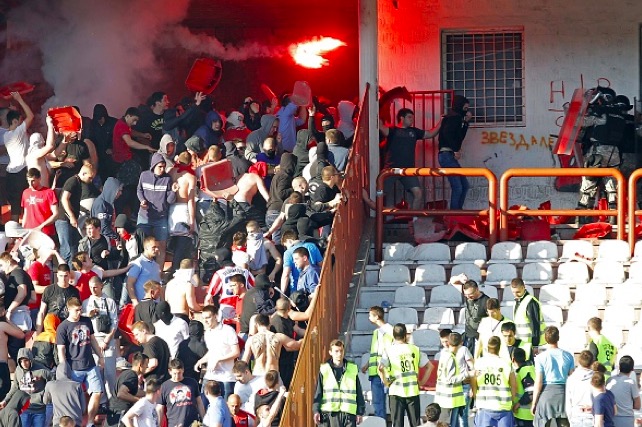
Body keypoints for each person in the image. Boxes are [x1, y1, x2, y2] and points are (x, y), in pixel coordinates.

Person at [56, 297, 105, 427]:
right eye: (76, 310)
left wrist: (100, 356)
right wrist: (63, 368)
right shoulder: (63, 327)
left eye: (80, 310)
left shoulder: (86, 320)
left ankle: (89, 423)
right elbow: (61, 350)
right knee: (74, 399)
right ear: (69, 309)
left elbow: (93, 339)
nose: (79, 313)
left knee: (97, 392)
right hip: (73, 367)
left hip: (90, 364)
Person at [379, 107, 441, 211]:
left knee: (418, 194)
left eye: (412, 117)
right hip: (391, 169)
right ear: (401, 118)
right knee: (380, 193)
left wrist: (441, 123)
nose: (412, 120)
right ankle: (379, 216)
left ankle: (413, 219)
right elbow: (381, 128)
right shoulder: (393, 130)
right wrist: (377, 118)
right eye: (409, 117)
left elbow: (430, 134)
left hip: (408, 170)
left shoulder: (414, 131)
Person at [379, 323, 431, 427]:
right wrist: (421, 382)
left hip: (396, 391)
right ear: (405, 335)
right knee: (415, 423)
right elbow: (429, 367)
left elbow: (380, 368)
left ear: (393, 336)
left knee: (397, 424)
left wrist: (386, 382)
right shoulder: (415, 349)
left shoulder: (389, 350)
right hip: (412, 390)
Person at [137, 153, 179, 267]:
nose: (162, 169)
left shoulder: (167, 179)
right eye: (160, 166)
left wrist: (173, 191)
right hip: (144, 216)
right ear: (153, 166)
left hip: (161, 218)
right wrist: (142, 201)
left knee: (161, 247)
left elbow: (170, 201)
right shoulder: (144, 175)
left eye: (163, 167)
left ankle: (158, 276)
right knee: (142, 245)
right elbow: (139, 190)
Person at [313, 338, 365, 427]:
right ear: (330, 352)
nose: (339, 354)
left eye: (341, 351)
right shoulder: (324, 369)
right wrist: (316, 411)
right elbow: (318, 392)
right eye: (336, 351)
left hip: (348, 414)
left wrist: (360, 411)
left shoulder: (352, 369)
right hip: (329, 414)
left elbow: (359, 392)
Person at [81, 277, 119, 400]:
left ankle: (112, 399)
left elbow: (114, 321)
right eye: (91, 287)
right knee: (97, 372)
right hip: (94, 339)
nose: (93, 289)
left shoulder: (109, 301)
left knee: (110, 373)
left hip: (108, 338)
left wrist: (108, 339)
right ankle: (101, 401)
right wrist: (88, 314)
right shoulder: (86, 302)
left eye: (95, 287)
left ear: (101, 286)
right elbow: (81, 320)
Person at [531, 326, 574, 427]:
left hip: (547, 394)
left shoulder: (540, 357)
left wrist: (534, 402)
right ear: (558, 337)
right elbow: (572, 378)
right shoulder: (568, 355)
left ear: (545, 338)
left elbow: (539, 382)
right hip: (564, 393)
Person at [54, 163, 98, 263]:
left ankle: (72, 272)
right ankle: (64, 272)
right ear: (83, 173)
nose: (91, 181)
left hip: (71, 220)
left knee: (74, 248)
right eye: (90, 178)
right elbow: (64, 199)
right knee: (67, 249)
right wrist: (72, 216)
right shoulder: (72, 181)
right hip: (64, 219)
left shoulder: (79, 183)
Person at [196, 304, 240, 400]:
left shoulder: (228, 330)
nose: (205, 321)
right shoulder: (207, 333)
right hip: (211, 375)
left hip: (226, 376)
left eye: (208, 317)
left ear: (215, 316)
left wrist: (219, 360)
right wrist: (201, 360)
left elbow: (236, 352)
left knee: (225, 407)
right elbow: (212, 351)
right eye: (203, 318)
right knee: (204, 404)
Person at [471, 336, 517, 427]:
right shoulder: (506, 363)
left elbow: (473, 383)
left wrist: (477, 398)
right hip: (504, 407)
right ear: (499, 348)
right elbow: (514, 385)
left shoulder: (479, 363)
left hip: (485, 405)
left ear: (487, 348)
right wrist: (511, 400)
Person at [0, 348, 52, 427]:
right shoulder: (18, 370)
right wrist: (5, 400)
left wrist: (45, 396)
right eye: (21, 361)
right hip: (24, 409)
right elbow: (15, 388)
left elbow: (53, 382)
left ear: (30, 359)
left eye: (26, 360)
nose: (23, 363)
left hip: (39, 409)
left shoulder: (42, 370)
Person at [437, 94, 472, 209]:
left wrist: (466, 123)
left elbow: (459, 137)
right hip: (447, 155)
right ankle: (454, 214)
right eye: (465, 108)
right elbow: (447, 134)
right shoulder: (454, 118)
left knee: (464, 185)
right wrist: (455, 150)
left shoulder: (454, 118)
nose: (466, 111)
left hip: (448, 155)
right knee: (458, 187)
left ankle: (457, 212)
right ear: (460, 106)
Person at [4, 92, 34, 221]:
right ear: (15, 121)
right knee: (28, 201)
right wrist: (19, 99)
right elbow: (31, 116)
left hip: (10, 173)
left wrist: (15, 109)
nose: (22, 123)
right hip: (21, 172)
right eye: (20, 121)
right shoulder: (17, 132)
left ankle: (14, 233)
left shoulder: (6, 135)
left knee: (15, 205)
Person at [434, 332, 473, 427]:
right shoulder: (451, 357)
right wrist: (468, 374)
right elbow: (449, 379)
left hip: (442, 395)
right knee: (452, 423)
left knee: (442, 423)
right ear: (460, 343)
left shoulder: (444, 354)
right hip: (450, 397)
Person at [361, 305, 393, 419]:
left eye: (370, 315)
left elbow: (389, 351)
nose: (369, 317)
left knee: (387, 403)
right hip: (375, 373)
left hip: (385, 373)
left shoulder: (389, 330)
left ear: (377, 316)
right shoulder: (376, 332)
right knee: (378, 403)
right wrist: (367, 365)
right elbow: (375, 352)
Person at [106, 352, 149, 427]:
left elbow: (133, 392)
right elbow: (121, 394)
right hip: (119, 413)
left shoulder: (126, 373)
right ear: (140, 365)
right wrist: (139, 401)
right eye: (146, 364)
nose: (147, 367)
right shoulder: (132, 376)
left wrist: (148, 393)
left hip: (114, 412)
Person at [35, 264, 80, 333]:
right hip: (51, 327)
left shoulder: (74, 291)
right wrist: (38, 332)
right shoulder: (49, 290)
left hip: (68, 327)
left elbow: (77, 311)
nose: (63, 279)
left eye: (65, 276)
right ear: (57, 275)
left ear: (69, 275)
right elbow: (42, 312)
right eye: (61, 276)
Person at [160, 358, 205, 427]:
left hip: (193, 424)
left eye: (179, 373)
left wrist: (204, 420)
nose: (177, 376)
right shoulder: (165, 386)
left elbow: (199, 403)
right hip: (174, 424)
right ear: (170, 371)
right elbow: (160, 408)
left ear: (183, 370)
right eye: (175, 373)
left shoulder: (192, 383)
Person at [21, 167, 59, 237]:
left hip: (45, 231)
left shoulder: (49, 192)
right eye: (28, 181)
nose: (30, 184)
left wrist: (41, 226)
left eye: (33, 181)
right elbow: (25, 213)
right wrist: (23, 229)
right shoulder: (25, 192)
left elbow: (56, 214)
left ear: (39, 178)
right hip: (29, 231)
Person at [126, 236, 162, 306]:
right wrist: (135, 302)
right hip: (143, 305)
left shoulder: (156, 265)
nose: (157, 249)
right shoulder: (138, 263)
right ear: (146, 248)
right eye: (154, 247)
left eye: (157, 247)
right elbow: (129, 283)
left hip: (156, 305)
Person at [511, 278, 546, 348]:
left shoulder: (531, 302)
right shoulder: (517, 301)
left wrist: (535, 345)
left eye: (518, 292)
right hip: (522, 343)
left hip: (531, 344)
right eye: (513, 292)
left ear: (523, 287)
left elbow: (535, 325)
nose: (515, 294)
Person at [606, 356, 640, 427]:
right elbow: (637, 405)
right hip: (627, 420)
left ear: (619, 367)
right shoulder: (631, 382)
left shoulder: (609, 380)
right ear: (632, 369)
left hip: (611, 418)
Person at [165, 259, 202, 323]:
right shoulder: (188, 285)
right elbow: (192, 305)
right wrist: (202, 308)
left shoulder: (169, 284)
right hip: (182, 317)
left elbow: (166, 300)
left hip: (170, 316)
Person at [566, 350, 596, 427]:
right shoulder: (596, 378)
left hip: (575, 414)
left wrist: (570, 417)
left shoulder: (571, 379)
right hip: (591, 414)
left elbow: (568, 402)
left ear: (579, 361)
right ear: (592, 362)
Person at [461, 279, 489, 354]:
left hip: (480, 338)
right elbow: (453, 281)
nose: (468, 297)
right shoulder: (468, 296)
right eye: (466, 295)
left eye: (470, 294)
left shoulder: (486, 301)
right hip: (468, 337)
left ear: (477, 289)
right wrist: (459, 278)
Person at [513, 348, 536, 427]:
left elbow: (531, 392)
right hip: (527, 415)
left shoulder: (525, 371)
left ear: (513, 359)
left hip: (524, 416)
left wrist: (518, 404)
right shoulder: (530, 368)